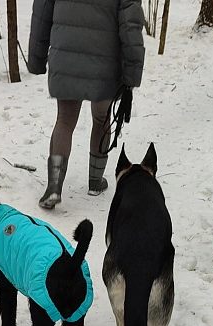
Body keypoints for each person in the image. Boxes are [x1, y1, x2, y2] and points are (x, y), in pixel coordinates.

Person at [28, 0, 145, 209]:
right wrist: (132, 72)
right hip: (105, 57)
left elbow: (42, 10)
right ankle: (95, 181)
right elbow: (131, 23)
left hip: (65, 52)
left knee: (64, 120)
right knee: (102, 117)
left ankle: (54, 187)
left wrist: (36, 58)